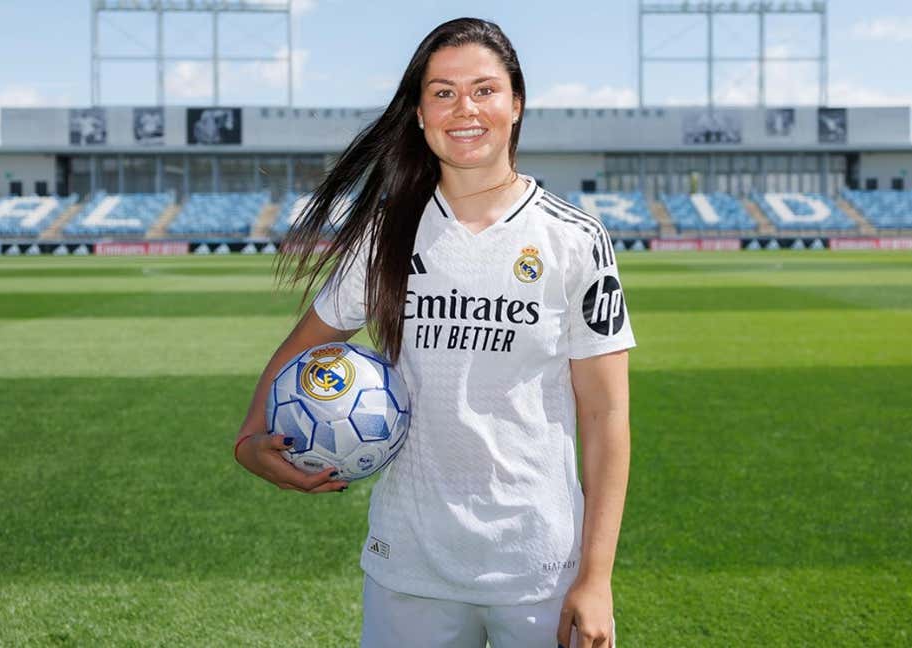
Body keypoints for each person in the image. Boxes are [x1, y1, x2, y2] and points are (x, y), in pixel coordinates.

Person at [234, 17, 634, 648]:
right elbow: (298, 349)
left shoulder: (575, 240)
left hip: (538, 571)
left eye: (484, 89)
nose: (464, 109)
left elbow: (607, 414)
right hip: (409, 569)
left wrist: (597, 577)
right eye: (442, 92)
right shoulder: (387, 234)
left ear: (516, 102)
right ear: (419, 114)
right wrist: (249, 440)